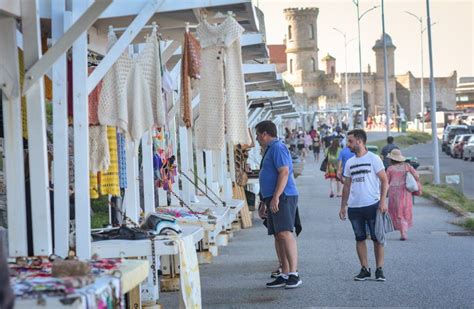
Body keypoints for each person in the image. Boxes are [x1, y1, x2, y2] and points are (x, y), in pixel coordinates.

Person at [255, 120, 302, 289]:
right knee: (277, 234)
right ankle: (284, 272)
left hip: (284, 196)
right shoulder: (270, 149)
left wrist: (276, 197)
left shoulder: (277, 148)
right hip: (273, 197)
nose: (257, 138)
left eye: (258, 135)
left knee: (285, 233)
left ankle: (294, 274)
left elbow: (284, 172)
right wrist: (264, 201)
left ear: (265, 134)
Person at [339, 129, 389, 281]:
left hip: (372, 205)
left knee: (377, 238)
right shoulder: (350, 162)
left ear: (359, 141)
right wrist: (343, 206)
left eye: (350, 141)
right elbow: (346, 186)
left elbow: (384, 180)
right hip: (355, 207)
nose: (348, 145)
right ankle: (364, 269)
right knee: (359, 238)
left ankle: (379, 269)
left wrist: (382, 201)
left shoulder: (374, 159)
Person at [386, 149, 420, 240]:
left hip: (393, 193)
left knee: (397, 212)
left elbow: (386, 182)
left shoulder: (390, 169)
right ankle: (404, 231)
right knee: (405, 211)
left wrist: (383, 193)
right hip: (405, 192)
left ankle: (402, 231)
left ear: (392, 159)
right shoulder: (407, 166)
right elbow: (417, 176)